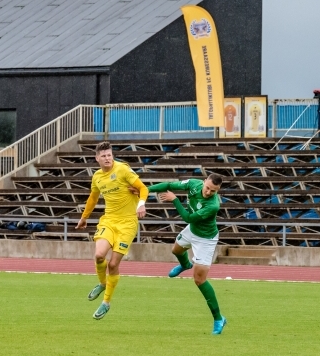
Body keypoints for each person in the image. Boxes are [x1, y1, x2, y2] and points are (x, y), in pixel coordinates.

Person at [146, 174, 227, 335]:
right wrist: (144, 190)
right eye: (207, 188)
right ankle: (185, 264)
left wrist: (174, 199)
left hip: (206, 239)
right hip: (193, 230)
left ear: (218, 191)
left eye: (213, 191)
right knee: (176, 250)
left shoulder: (213, 205)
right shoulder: (194, 184)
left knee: (199, 280)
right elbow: (168, 184)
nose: (208, 192)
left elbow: (187, 218)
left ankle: (219, 318)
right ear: (204, 182)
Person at [76, 141, 148, 320]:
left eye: (109, 155)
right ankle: (102, 283)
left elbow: (143, 188)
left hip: (127, 223)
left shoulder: (122, 169)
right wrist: (84, 217)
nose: (107, 158)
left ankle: (106, 303)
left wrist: (141, 204)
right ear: (97, 158)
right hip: (109, 221)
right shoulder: (97, 177)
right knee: (99, 255)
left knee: (113, 265)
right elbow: (93, 198)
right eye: (103, 156)